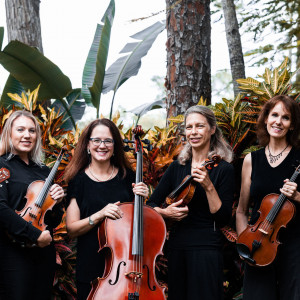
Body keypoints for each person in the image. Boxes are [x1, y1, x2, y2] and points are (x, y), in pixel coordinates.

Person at [147, 105, 235, 300]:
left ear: (212, 129)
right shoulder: (177, 167)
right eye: (189, 127)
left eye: (200, 126)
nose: (193, 132)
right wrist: (166, 213)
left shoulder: (224, 169)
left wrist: (208, 185)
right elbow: (151, 205)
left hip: (207, 249)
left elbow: (222, 219)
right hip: (177, 248)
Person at [64, 118, 149, 300]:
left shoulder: (129, 178)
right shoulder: (77, 181)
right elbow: (71, 228)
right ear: (88, 144)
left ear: (115, 146)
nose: (102, 145)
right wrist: (100, 214)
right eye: (96, 140)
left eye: (108, 141)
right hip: (91, 267)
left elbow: (140, 224)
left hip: (127, 266)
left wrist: (142, 198)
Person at [236, 95, 300, 300]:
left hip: (294, 249)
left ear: (291, 125)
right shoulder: (251, 160)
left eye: (286, 118)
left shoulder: (299, 158)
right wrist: (244, 243)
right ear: (265, 119)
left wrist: (298, 196)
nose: (278, 122)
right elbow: (241, 210)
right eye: (274, 115)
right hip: (258, 246)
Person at [0, 110, 65, 300]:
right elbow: (1, 209)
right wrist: (35, 235)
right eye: (20, 129)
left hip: (42, 253)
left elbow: (51, 220)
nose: (27, 135)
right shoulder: (2, 165)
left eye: (32, 130)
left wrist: (58, 202)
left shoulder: (43, 170)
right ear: (9, 133)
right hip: (12, 252)